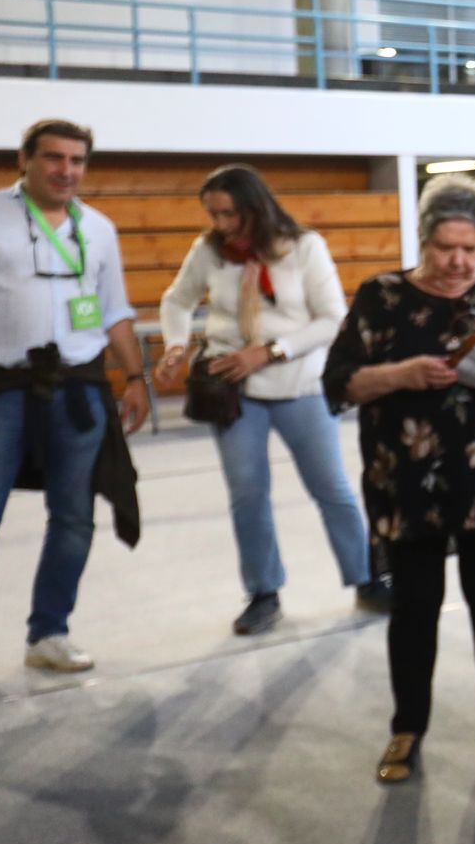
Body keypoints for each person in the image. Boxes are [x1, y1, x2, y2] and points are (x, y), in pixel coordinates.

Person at [319, 175, 475, 781]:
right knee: (415, 608)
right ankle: (406, 728)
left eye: (469, 250)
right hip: (407, 483)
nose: (457, 262)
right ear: (423, 241)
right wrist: (402, 374)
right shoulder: (382, 296)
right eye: (445, 248)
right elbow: (339, 385)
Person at [153, 165, 380, 636]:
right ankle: (263, 592)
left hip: (299, 386)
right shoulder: (209, 251)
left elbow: (332, 318)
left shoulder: (303, 248)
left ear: (255, 207)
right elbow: (176, 301)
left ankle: (366, 578)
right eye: (213, 214)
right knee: (248, 494)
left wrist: (271, 351)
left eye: (230, 213)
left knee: (331, 489)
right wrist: (176, 343)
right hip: (234, 394)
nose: (221, 224)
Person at [0, 120, 148, 693]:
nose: (66, 170)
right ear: (25, 159)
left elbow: (114, 310)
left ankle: (49, 633)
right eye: (54, 158)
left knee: (73, 517)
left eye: (77, 160)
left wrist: (136, 376)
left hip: (78, 390)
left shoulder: (99, 228)